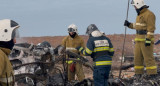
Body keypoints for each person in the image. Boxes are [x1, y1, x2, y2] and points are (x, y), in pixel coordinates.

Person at [124, 0, 157, 81]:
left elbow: (151, 28)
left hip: (146, 40)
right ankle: (138, 74)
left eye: (135, 6)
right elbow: (137, 26)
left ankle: (152, 75)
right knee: (137, 58)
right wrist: (129, 25)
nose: (134, 8)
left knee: (148, 58)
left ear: (139, 5)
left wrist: (148, 39)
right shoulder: (139, 15)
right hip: (138, 40)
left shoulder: (149, 14)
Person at [0, 19, 20, 86]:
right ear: (5, 35)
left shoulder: (3, 54)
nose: (15, 41)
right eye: (13, 37)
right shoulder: (0, 55)